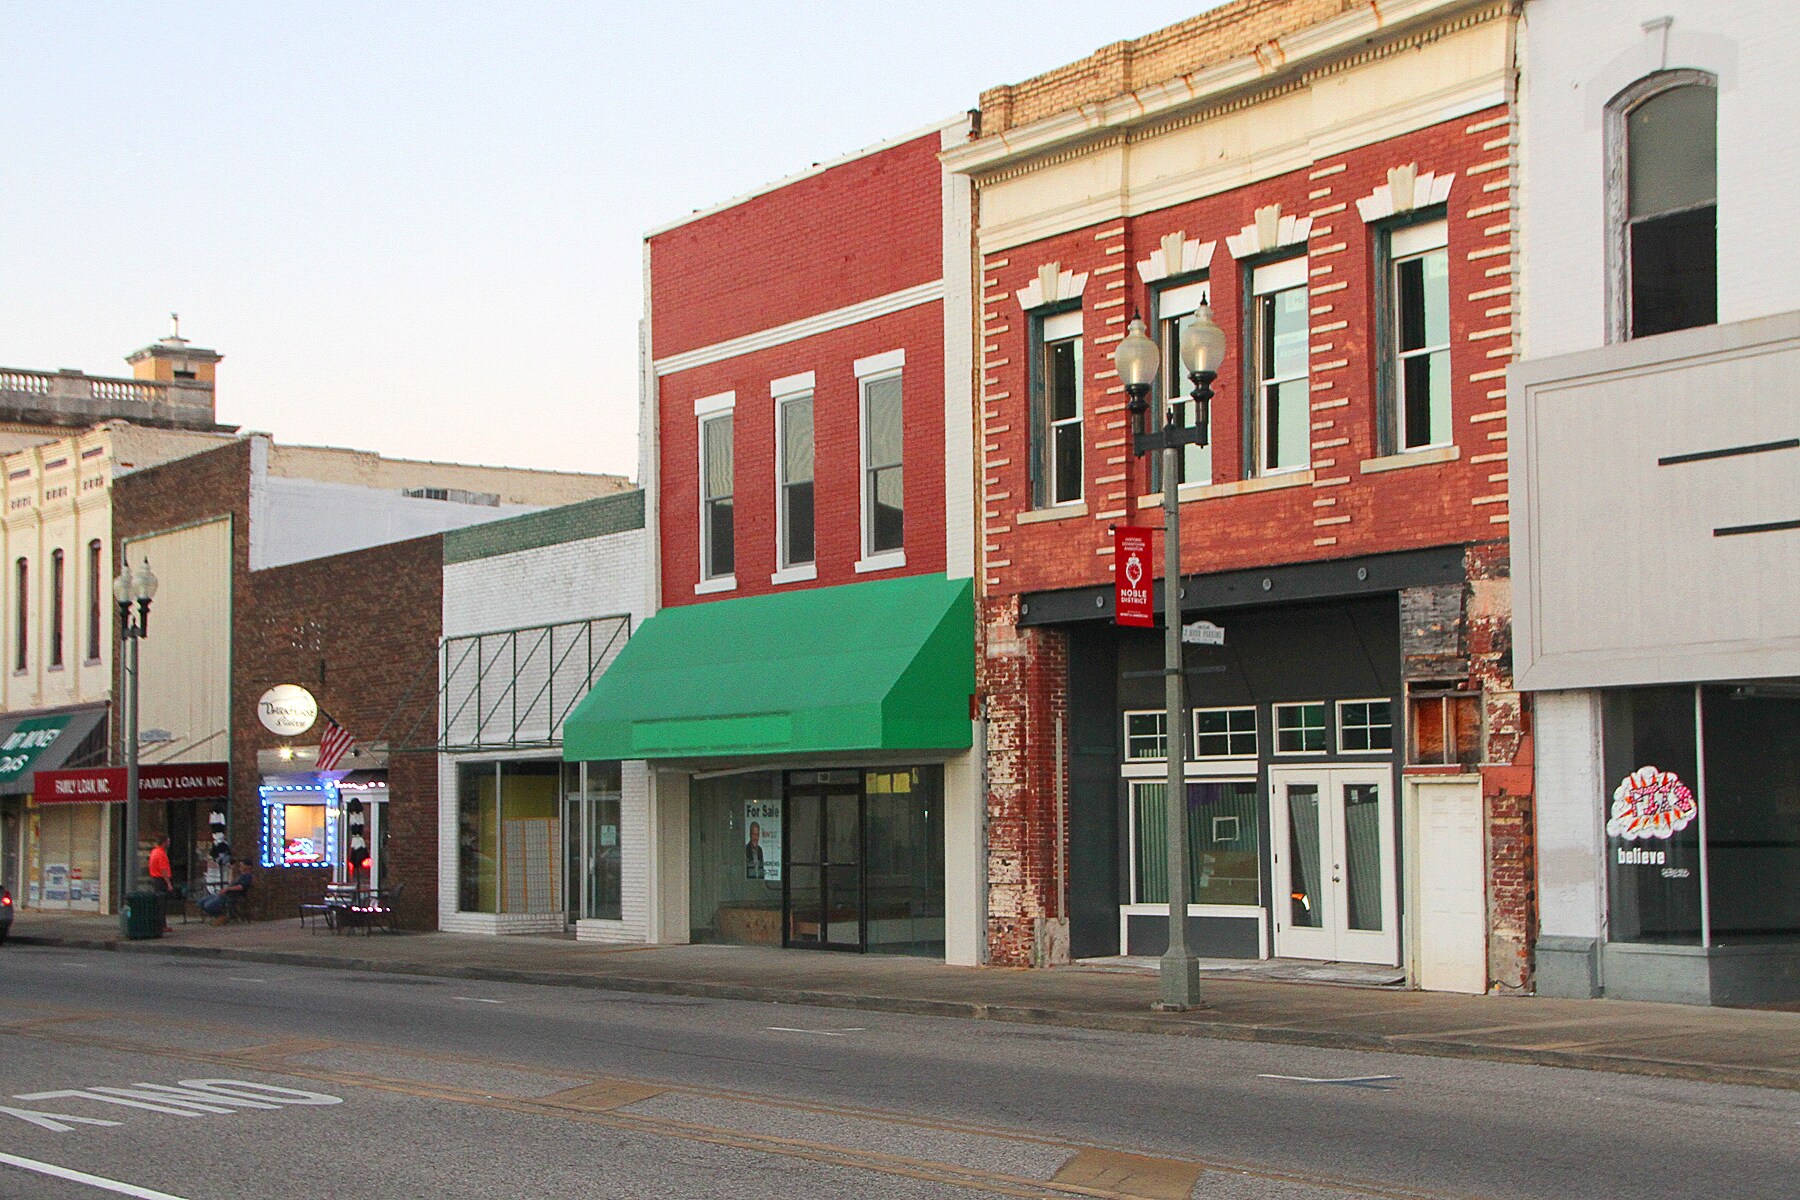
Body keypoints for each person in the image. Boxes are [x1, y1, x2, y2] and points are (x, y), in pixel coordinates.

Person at [199, 860, 252, 926]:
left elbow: (241, 887)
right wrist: (231, 871)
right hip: (225, 893)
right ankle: (219, 917)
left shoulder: (247, 876)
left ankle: (221, 916)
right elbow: (230, 882)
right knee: (201, 902)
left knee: (208, 905)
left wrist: (227, 889)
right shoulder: (240, 875)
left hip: (233, 896)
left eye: (242, 865)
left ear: (248, 867)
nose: (240, 867)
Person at [146, 834, 174, 933]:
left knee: (159, 903)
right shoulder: (161, 854)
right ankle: (162, 925)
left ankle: (160, 924)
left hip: (155, 879)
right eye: (168, 841)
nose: (169, 843)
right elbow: (163, 870)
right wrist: (169, 883)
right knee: (162, 904)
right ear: (164, 842)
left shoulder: (154, 851)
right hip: (161, 880)